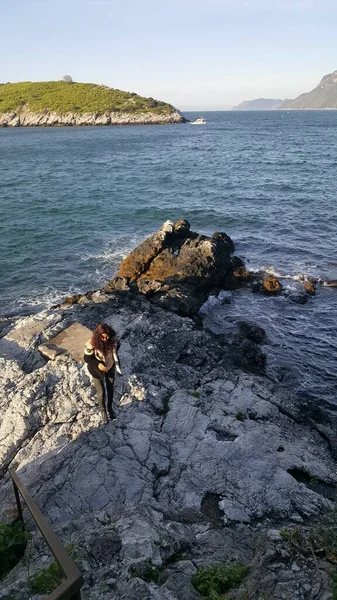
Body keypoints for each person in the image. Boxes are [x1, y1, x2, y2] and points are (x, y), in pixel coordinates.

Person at [84, 323, 122, 424]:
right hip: (96, 370)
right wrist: (98, 364)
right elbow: (87, 358)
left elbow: (117, 347)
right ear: (98, 336)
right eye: (102, 337)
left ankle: (110, 408)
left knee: (110, 389)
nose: (105, 339)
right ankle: (103, 411)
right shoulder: (91, 344)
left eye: (107, 337)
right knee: (101, 392)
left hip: (109, 367)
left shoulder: (114, 341)